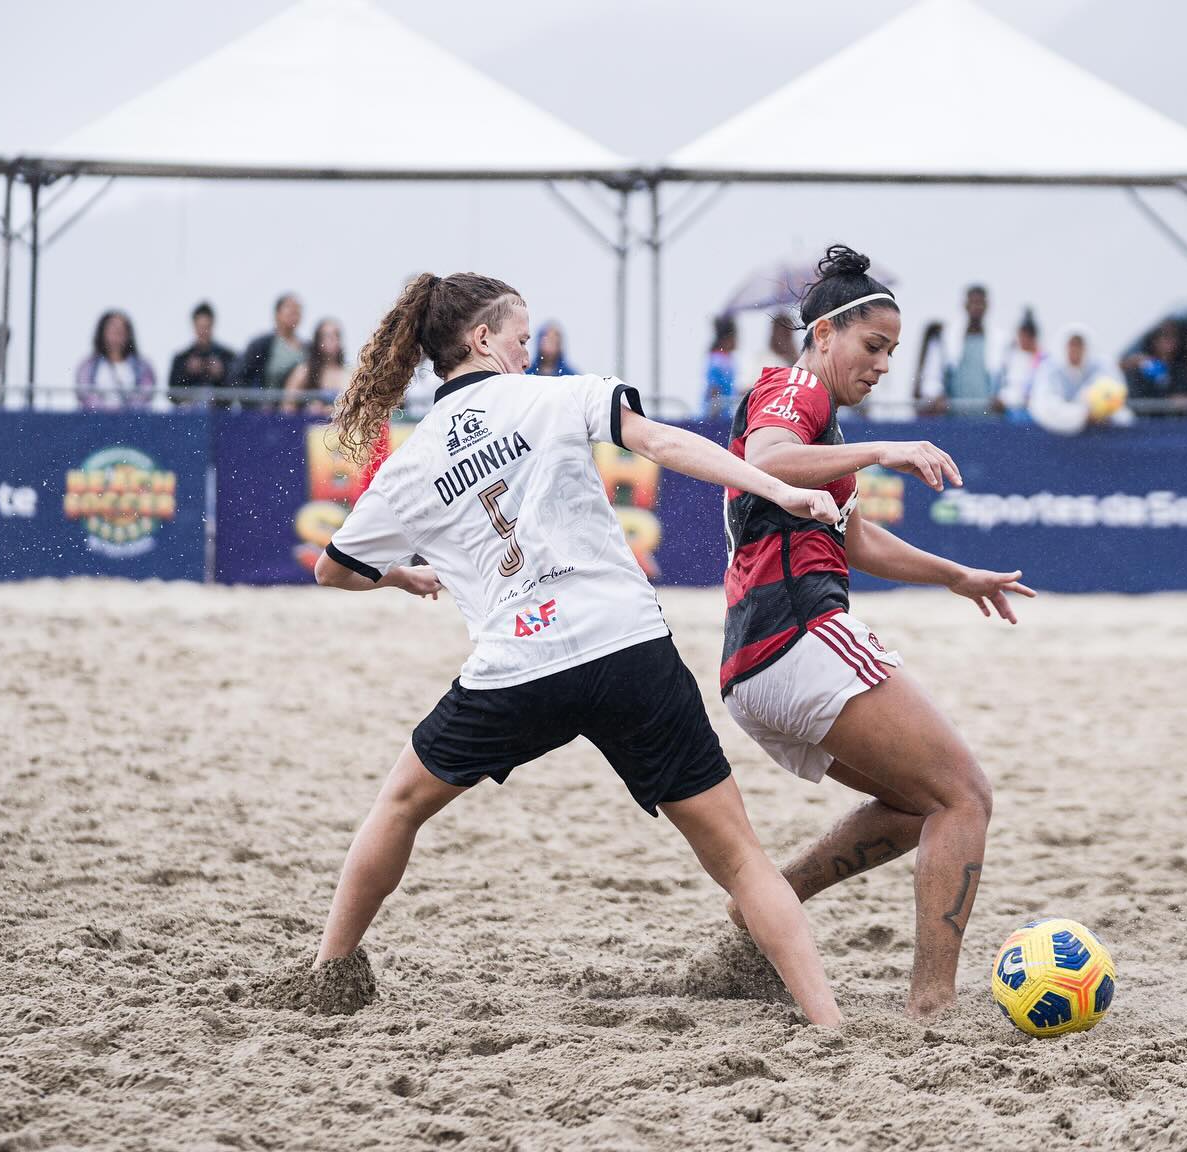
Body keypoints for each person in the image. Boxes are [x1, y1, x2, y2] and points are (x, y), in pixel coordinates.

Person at [309, 271, 844, 1026]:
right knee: (739, 858)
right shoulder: (558, 397)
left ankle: (328, 975)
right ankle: (828, 1023)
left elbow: (333, 569)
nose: (527, 352)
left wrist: (404, 576)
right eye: (520, 338)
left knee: (398, 807)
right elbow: (661, 442)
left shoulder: (412, 462)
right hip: (627, 647)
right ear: (482, 339)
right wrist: (778, 489)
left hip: (517, 669)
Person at [716, 245, 1035, 1018]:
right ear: (824, 334)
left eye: (893, 350)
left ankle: (767, 902)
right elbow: (769, 457)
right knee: (964, 797)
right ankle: (933, 1005)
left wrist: (956, 575)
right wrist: (886, 447)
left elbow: (855, 539)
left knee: (916, 804)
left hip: (754, 662)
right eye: (873, 345)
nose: (885, 365)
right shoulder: (794, 388)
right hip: (799, 633)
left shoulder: (818, 426)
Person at [1028, 325, 1129, 435]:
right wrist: (1082, 415)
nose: (1075, 349)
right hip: (1058, 437)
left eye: (1079, 345)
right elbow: (1045, 406)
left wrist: (1102, 413)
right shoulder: (1049, 369)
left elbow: (1119, 402)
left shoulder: (1103, 366)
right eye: (1072, 344)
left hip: (1101, 435)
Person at [226, 293, 307, 407]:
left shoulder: (307, 348)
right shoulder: (262, 345)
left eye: (297, 310)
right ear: (277, 314)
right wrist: (254, 404)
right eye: (289, 308)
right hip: (267, 411)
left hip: (298, 412)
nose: (294, 312)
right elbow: (238, 375)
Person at [75, 311, 156, 411]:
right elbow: (85, 394)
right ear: (102, 333)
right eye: (112, 330)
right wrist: (106, 412)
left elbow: (145, 395)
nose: (117, 335)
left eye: (121, 331)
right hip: (98, 418)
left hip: (131, 418)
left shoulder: (142, 366)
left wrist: (125, 412)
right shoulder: (88, 366)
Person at [944, 284, 998, 417]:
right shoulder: (948, 337)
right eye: (973, 303)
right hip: (954, 415)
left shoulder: (1000, 340)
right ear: (965, 305)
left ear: (987, 306)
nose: (976, 307)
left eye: (980, 303)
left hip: (990, 416)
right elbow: (937, 375)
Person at [167, 302, 235, 406]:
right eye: (200, 327)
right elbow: (172, 394)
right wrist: (187, 373)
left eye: (207, 327)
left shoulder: (227, 357)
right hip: (189, 413)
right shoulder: (181, 359)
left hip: (219, 413)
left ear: (213, 325)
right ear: (194, 326)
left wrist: (221, 374)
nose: (203, 332)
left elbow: (237, 391)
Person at [1123, 320, 1187, 417]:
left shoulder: (1181, 369)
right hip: (1145, 421)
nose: (1170, 341)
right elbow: (1136, 398)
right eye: (1165, 335)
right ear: (1154, 340)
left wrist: (1182, 400)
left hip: (1175, 421)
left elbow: (1185, 398)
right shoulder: (1141, 365)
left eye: (1173, 336)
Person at [283, 318, 348, 415]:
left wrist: (336, 410)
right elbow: (287, 406)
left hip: (338, 423)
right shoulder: (304, 371)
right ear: (318, 341)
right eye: (327, 336)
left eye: (336, 335)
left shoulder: (347, 373)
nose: (333, 340)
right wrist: (307, 410)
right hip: (309, 423)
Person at [736, 312, 801, 403]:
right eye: (781, 333)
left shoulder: (799, 361)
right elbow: (746, 388)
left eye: (786, 334)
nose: (783, 338)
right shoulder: (762, 358)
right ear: (774, 334)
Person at [995, 308, 1046, 422]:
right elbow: (1006, 384)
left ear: (1032, 337)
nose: (1022, 340)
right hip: (1011, 411)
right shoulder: (1011, 357)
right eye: (1021, 336)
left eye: (1026, 336)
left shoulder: (1043, 360)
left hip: (1034, 412)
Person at [701, 314, 738, 420]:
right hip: (715, 414)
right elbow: (714, 389)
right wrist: (713, 416)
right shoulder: (718, 360)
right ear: (727, 338)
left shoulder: (726, 358)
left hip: (725, 412)